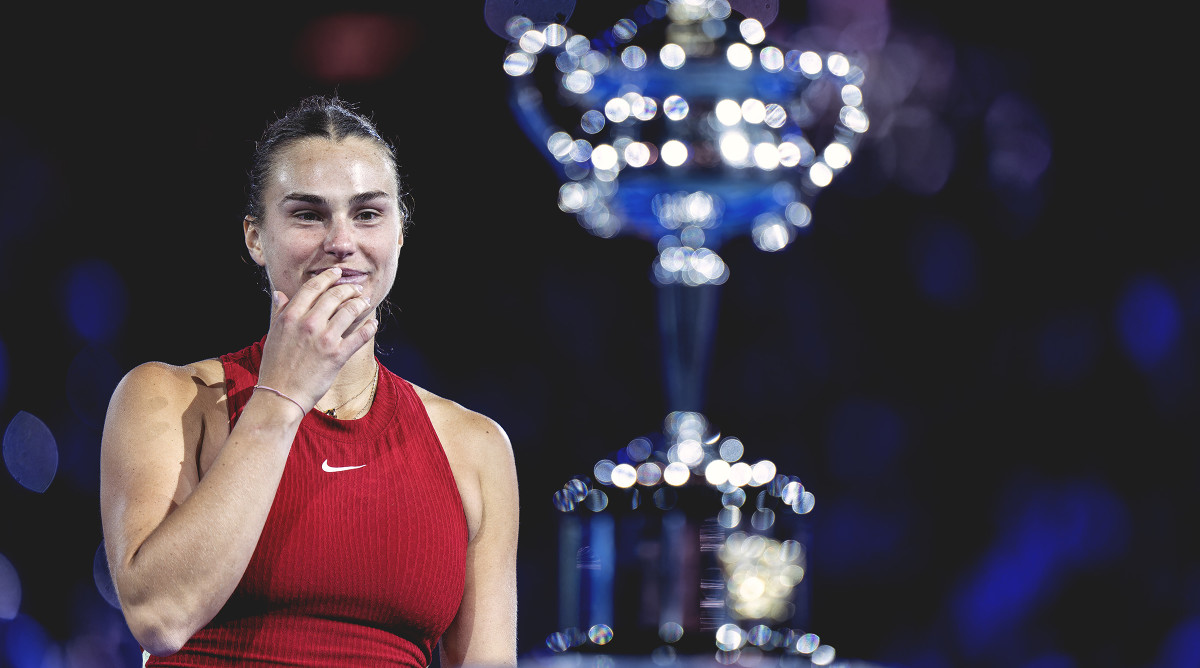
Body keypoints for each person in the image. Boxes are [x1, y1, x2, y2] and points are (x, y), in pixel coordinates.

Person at [99, 95, 519, 666]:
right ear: (254, 237)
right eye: (307, 214)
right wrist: (282, 396)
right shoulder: (167, 400)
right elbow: (160, 617)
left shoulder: (476, 448)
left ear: (399, 233)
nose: (341, 242)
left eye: (368, 213)